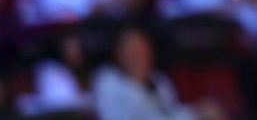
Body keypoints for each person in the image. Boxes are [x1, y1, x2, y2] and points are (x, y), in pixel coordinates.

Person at [92, 24, 220, 120]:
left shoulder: (158, 80)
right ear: (118, 54)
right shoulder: (108, 80)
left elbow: (170, 112)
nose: (138, 56)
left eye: (142, 50)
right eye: (132, 51)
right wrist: (194, 114)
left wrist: (198, 111)